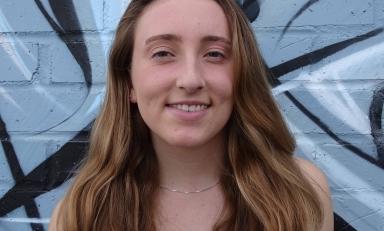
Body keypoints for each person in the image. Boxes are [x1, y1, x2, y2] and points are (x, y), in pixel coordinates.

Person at [49, 0, 333, 230]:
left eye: (214, 54)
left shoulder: (300, 194)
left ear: (241, 77)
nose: (190, 80)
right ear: (129, 83)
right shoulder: (81, 214)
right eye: (163, 53)